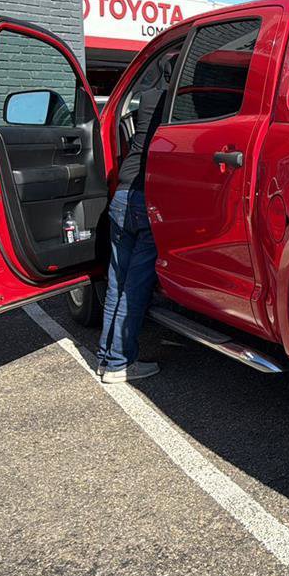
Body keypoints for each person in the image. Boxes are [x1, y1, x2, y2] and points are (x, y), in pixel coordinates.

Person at [96, 50, 177, 383]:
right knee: (136, 286)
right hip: (147, 203)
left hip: (122, 196)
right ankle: (118, 363)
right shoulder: (176, 106)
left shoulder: (146, 99)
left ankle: (106, 356)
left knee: (117, 281)